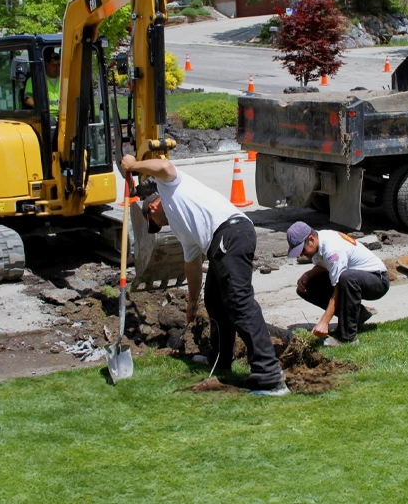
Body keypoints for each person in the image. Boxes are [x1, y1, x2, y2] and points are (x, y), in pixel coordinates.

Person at [120, 154, 289, 396]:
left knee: (239, 302)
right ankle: (220, 357)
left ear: (153, 207)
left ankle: (269, 375)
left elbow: (165, 166)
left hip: (230, 233)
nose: (158, 226)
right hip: (221, 241)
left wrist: (133, 166)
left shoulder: (169, 188)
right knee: (214, 300)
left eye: (153, 223)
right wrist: (191, 302)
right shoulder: (181, 227)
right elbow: (193, 265)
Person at [287, 221, 389, 346]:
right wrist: (308, 275)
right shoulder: (318, 244)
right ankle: (358, 315)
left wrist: (324, 321)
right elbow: (325, 266)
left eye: (302, 250)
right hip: (354, 279)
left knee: (346, 278)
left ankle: (347, 337)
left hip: (377, 280)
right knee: (307, 286)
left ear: (311, 239)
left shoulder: (332, 249)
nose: (301, 254)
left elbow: (338, 288)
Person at [24, 48, 61, 118]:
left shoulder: (63, 80)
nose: (57, 68)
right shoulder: (35, 79)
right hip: (46, 115)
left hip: (62, 115)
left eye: (58, 65)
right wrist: (42, 109)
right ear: (47, 64)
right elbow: (28, 99)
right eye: (54, 65)